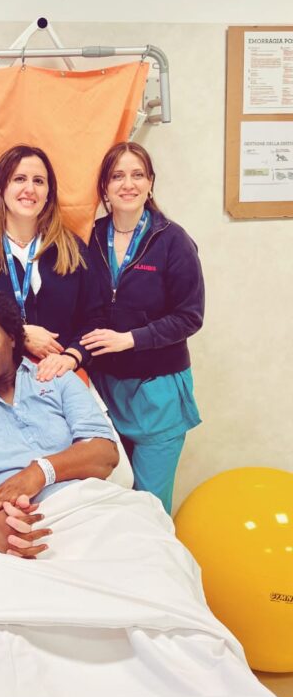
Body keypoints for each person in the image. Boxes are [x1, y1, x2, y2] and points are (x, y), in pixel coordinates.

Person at [0, 288, 119, 557]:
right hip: (3, 521)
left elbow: (104, 453)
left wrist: (39, 472)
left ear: (12, 337)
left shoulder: (57, 377)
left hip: (86, 507)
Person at [80, 142, 204, 515]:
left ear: (150, 183)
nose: (128, 184)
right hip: (104, 389)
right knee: (111, 505)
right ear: (104, 187)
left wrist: (130, 340)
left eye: (137, 175)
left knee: (149, 507)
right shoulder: (91, 237)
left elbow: (190, 316)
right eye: (117, 176)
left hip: (157, 392)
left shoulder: (173, 241)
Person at [0, 144, 101, 380]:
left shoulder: (72, 249)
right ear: (0, 187)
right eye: (19, 179)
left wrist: (72, 356)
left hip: (59, 376)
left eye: (39, 181)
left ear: (49, 192)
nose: (30, 189)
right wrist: (19, 333)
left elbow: (95, 318)